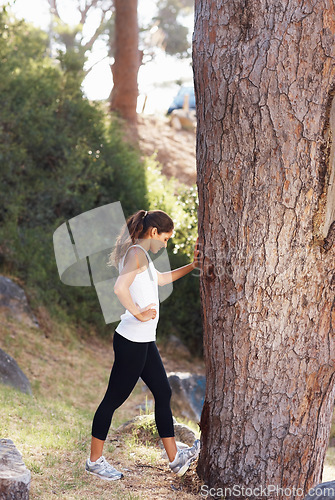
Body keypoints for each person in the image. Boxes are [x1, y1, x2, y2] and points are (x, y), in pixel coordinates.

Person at [85, 209, 201, 481]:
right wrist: (138, 313)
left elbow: (160, 280)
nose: (166, 244)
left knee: (163, 392)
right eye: (166, 238)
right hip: (131, 341)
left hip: (144, 340)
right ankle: (94, 462)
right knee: (112, 401)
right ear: (153, 233)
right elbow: (119, 288)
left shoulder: (142, 255)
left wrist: (192, 267)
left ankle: (175, 459)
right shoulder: (136, 254)